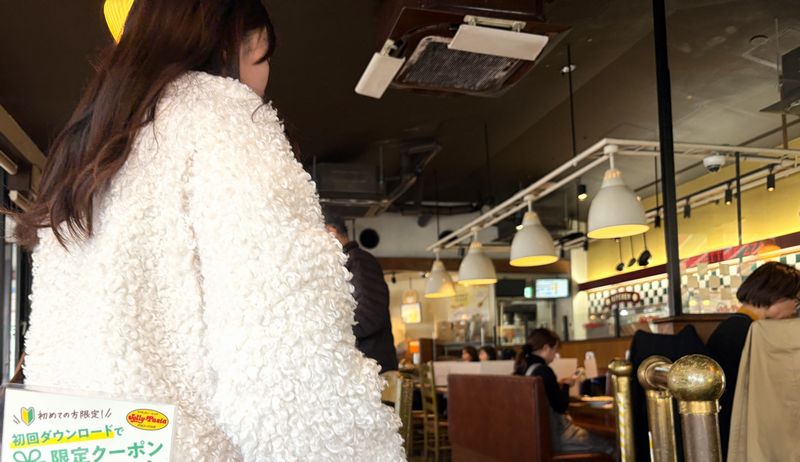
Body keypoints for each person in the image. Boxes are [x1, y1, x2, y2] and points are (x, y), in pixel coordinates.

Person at [14, 1, 403, 460]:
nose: (263, 80)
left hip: (67, 443)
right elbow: (284, 356)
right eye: (265, 57)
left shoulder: (85, 155)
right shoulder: (222, 119)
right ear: (243, 43)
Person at [706, 261, 800, 461]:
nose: (794, 309)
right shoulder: (751, 333)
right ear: (776, 296)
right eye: (796, 300)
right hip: (737, 434)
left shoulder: (732, 326)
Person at [515, 329, 614, 455]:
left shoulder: (523, 369)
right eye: (555, 350)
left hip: (536, 438)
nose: (555, 356)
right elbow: (561, 406)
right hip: (558, 438)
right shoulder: (544, 371)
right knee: (612, 445)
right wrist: (567, 385)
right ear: (546, 348)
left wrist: (556, 385)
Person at [322, 209, 398, 373]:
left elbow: (369, 316)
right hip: (366, 370)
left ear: (331, 232)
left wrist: (330, 332)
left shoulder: (359, 262)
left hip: (374, 371)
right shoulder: (350, 263)